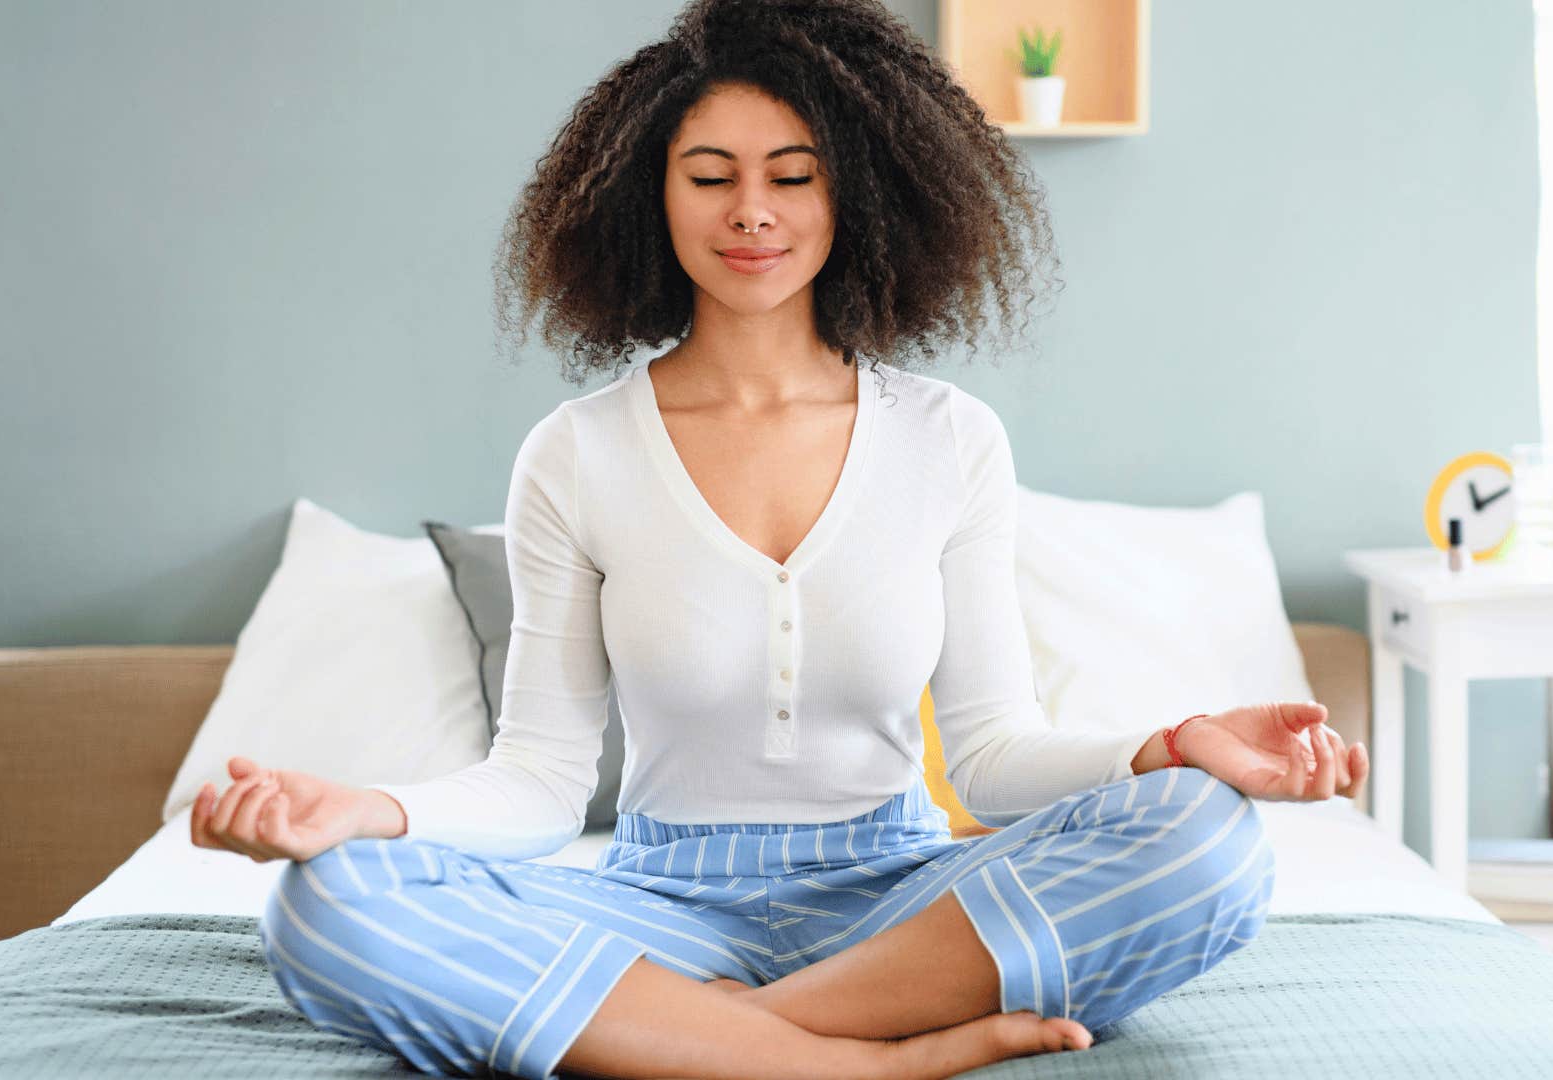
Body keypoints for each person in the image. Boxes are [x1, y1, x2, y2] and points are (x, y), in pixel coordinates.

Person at [189, 1, 1370, 1077]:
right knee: (328, 904)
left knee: (1207, 838)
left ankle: (709, 1036)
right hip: (654, 909)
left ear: (859, 195)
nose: (751, 210)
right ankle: (860, 1057)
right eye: (710, 176)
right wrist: (365, 810)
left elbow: (994, 758)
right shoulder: (577, 452)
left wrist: (1175, 746)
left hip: (905, 906)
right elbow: (540, 785)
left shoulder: (950, 438)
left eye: (793, 176)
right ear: (648, 197)